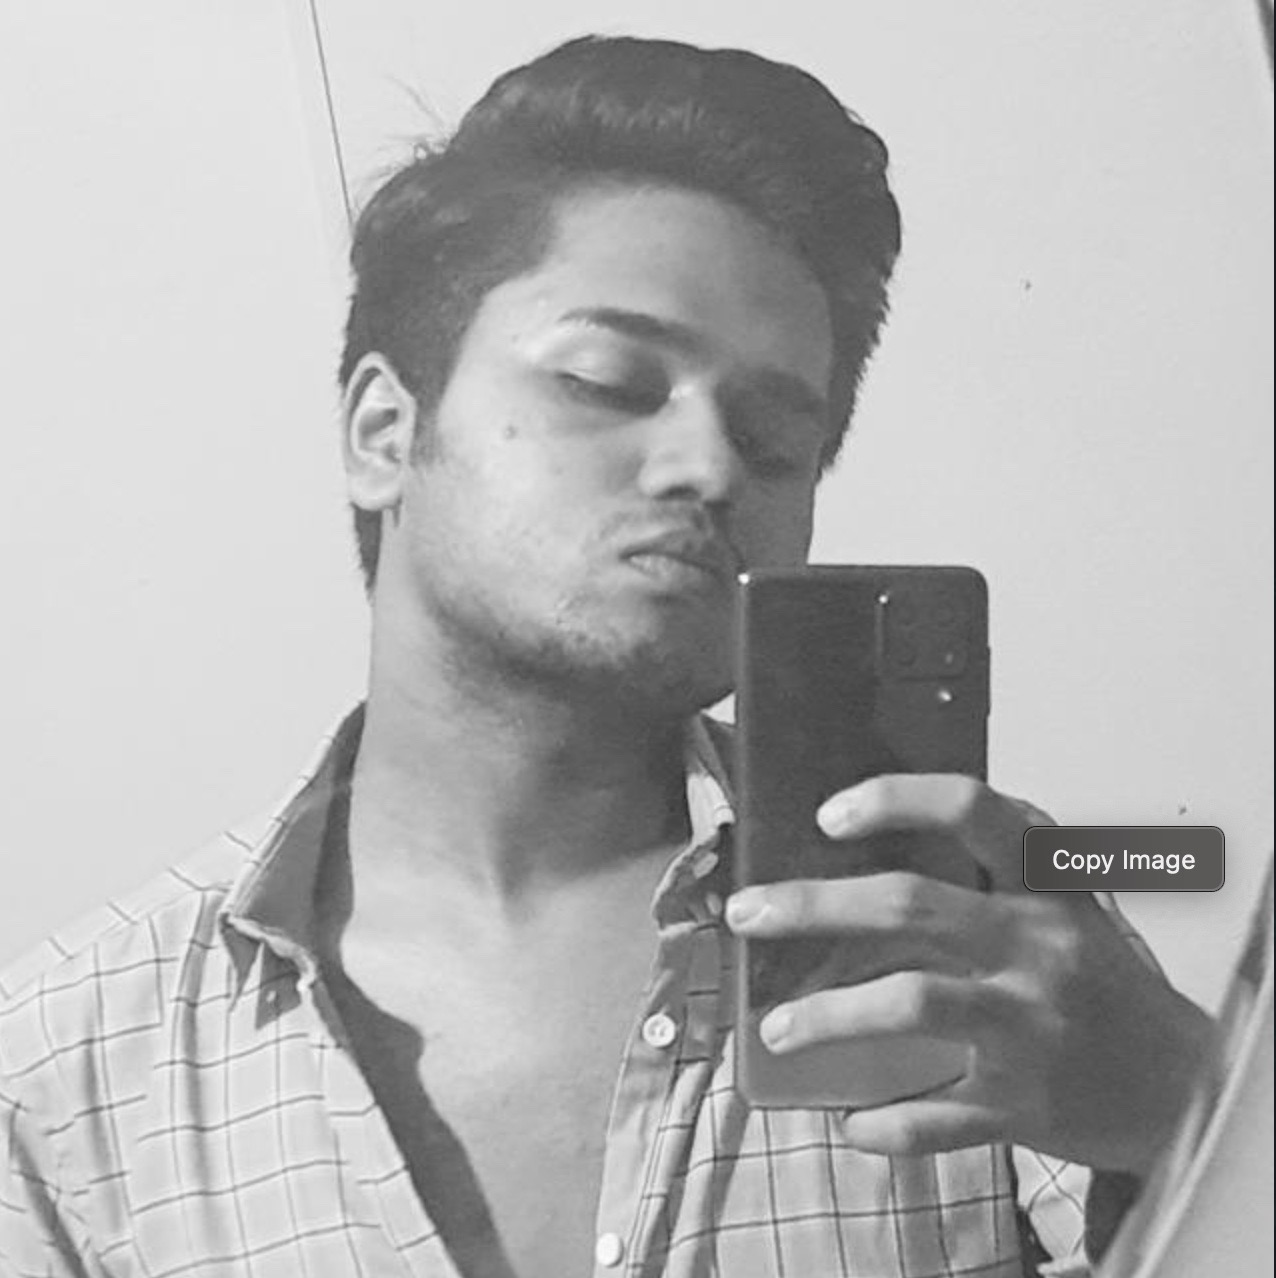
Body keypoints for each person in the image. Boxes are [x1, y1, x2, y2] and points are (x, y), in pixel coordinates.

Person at [0, 35, 1211, 1278]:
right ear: (383, 433)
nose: (709, 465)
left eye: (773, 438)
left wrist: (1185, 1102)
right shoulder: (66, 1076)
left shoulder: (968, 919)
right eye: (607, 380)